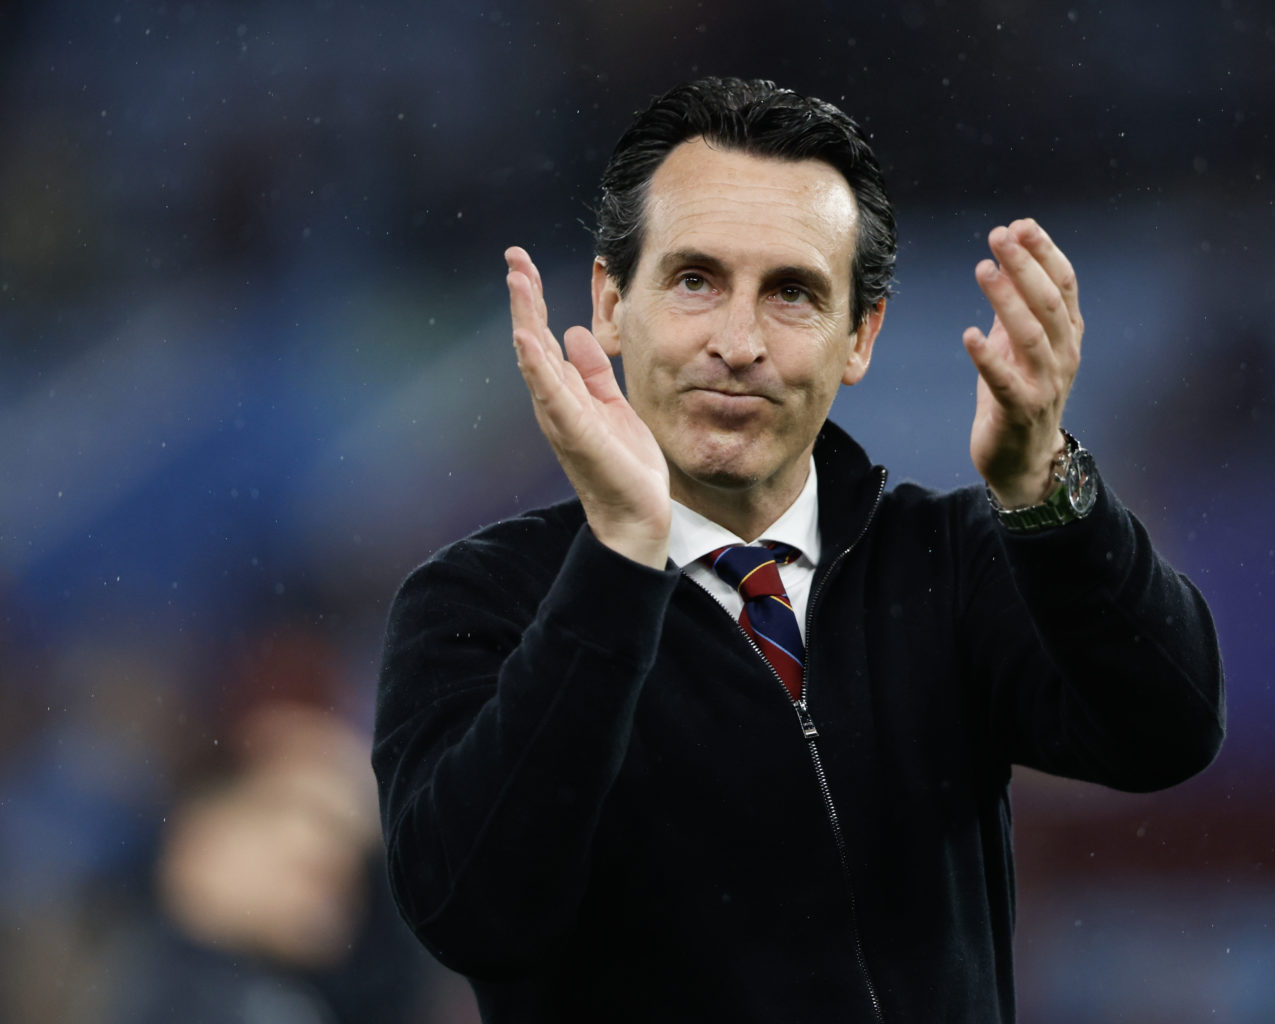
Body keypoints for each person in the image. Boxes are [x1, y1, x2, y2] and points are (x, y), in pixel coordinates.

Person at [373, 76, 1224, 1023]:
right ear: (612, 304)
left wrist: (1044, 490)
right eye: (695, 280)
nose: (737, 342)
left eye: (792, 294)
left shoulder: (949, 561)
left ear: (860, 336)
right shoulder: (478, 601)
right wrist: (618, 557)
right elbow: (473, 912)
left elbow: (1170, 730)